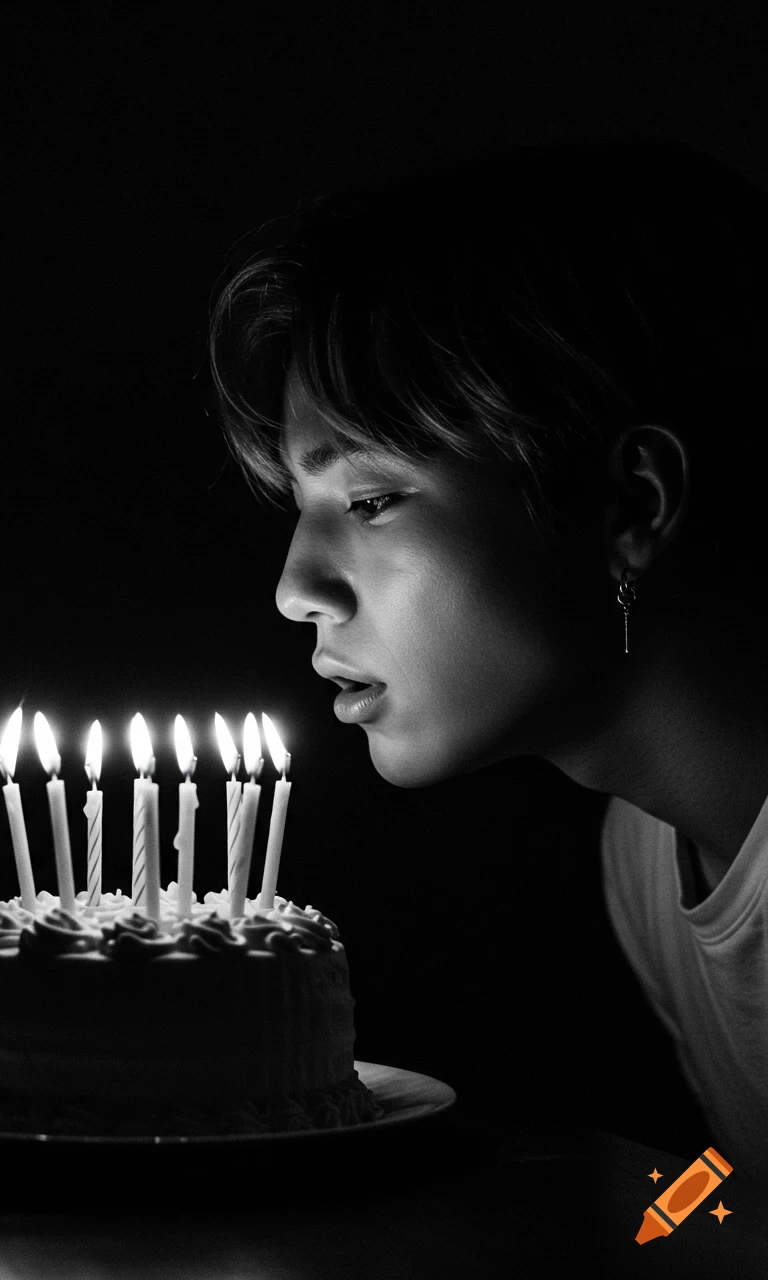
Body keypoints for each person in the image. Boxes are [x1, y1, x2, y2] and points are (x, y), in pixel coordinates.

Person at [207, 140, 768, 1183]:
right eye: (303, 511)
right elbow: (731, 1188)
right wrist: (626, 1223)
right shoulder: (646, 854)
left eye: (368, 501)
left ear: (629, 503)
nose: (295, 588)